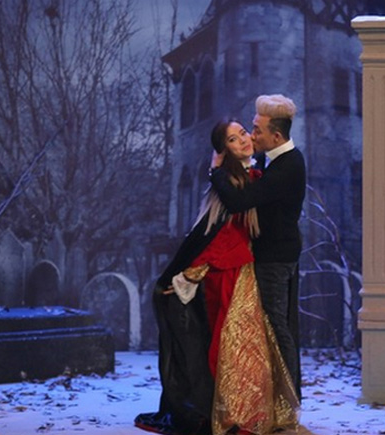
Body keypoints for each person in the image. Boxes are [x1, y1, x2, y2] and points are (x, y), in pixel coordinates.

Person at [135, 119, 299, 435]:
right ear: (224, 151)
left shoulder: (253, 178)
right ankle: (234, 415)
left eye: (244, 133)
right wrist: (189, 274)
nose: (244, 140)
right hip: (227, 274)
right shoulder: (230, 185)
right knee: (234, 346)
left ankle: (248, 413)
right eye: (234, 139)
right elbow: (217, 234)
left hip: (243, 270)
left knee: (246, 346)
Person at [210, 94, 306, 399]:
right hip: (273, 254)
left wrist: (216, 171)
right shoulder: (274, 160)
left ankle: (288, 398)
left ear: (276, 136)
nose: (251, 136)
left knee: (277, 325)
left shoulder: (287, 167)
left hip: (275, 258)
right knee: (274, 323)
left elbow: (239, 201)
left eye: (256, 130)